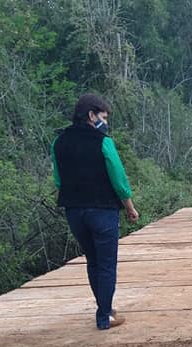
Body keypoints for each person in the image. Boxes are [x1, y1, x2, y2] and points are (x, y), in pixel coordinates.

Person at [51, 92, 138, 331]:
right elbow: (118, 179)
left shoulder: (58, 142)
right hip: (102, 210)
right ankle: (104, 315)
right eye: (104, 117)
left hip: (74, 211)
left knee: (93, 261)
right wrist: (129, 207)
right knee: (107, 264)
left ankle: (105, 307)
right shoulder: (103, 142)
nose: (105, 122)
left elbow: (58, 180)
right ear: (92, 115)